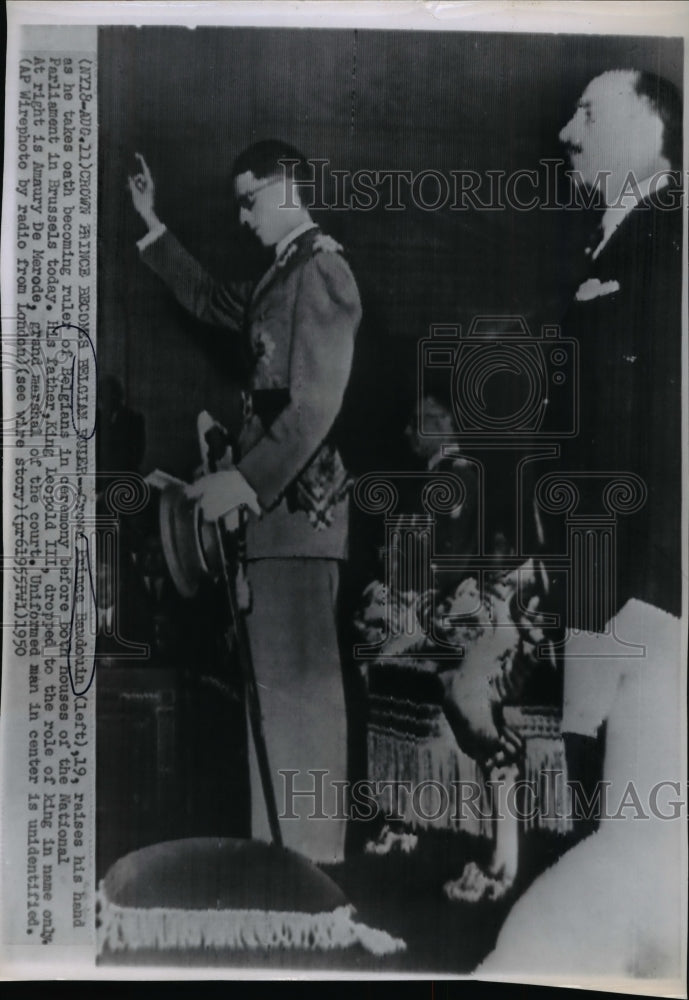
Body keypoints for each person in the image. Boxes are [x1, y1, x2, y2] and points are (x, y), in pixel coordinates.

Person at [475, 69, 684, 979]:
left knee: (643, 825)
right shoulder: (622, 239)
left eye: (587, 113)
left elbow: (661, 435)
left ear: (649, 120)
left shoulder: (667, 235)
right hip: (615, 580)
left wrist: (638, 594)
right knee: (632, 813)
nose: (565, 131)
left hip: (648, 588)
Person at [128, 141, 362, 864]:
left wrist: (246, 480)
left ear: (290, 187)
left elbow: (315, 404)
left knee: (301, 697)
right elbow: (208, 299)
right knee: (275, 696)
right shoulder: (278, 276)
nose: (240, 214)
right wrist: (151, 224)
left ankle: (313, 869)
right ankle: (282, 861)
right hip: (274, 517)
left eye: (250, 197)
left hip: (298, 513)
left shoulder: (321, 268)